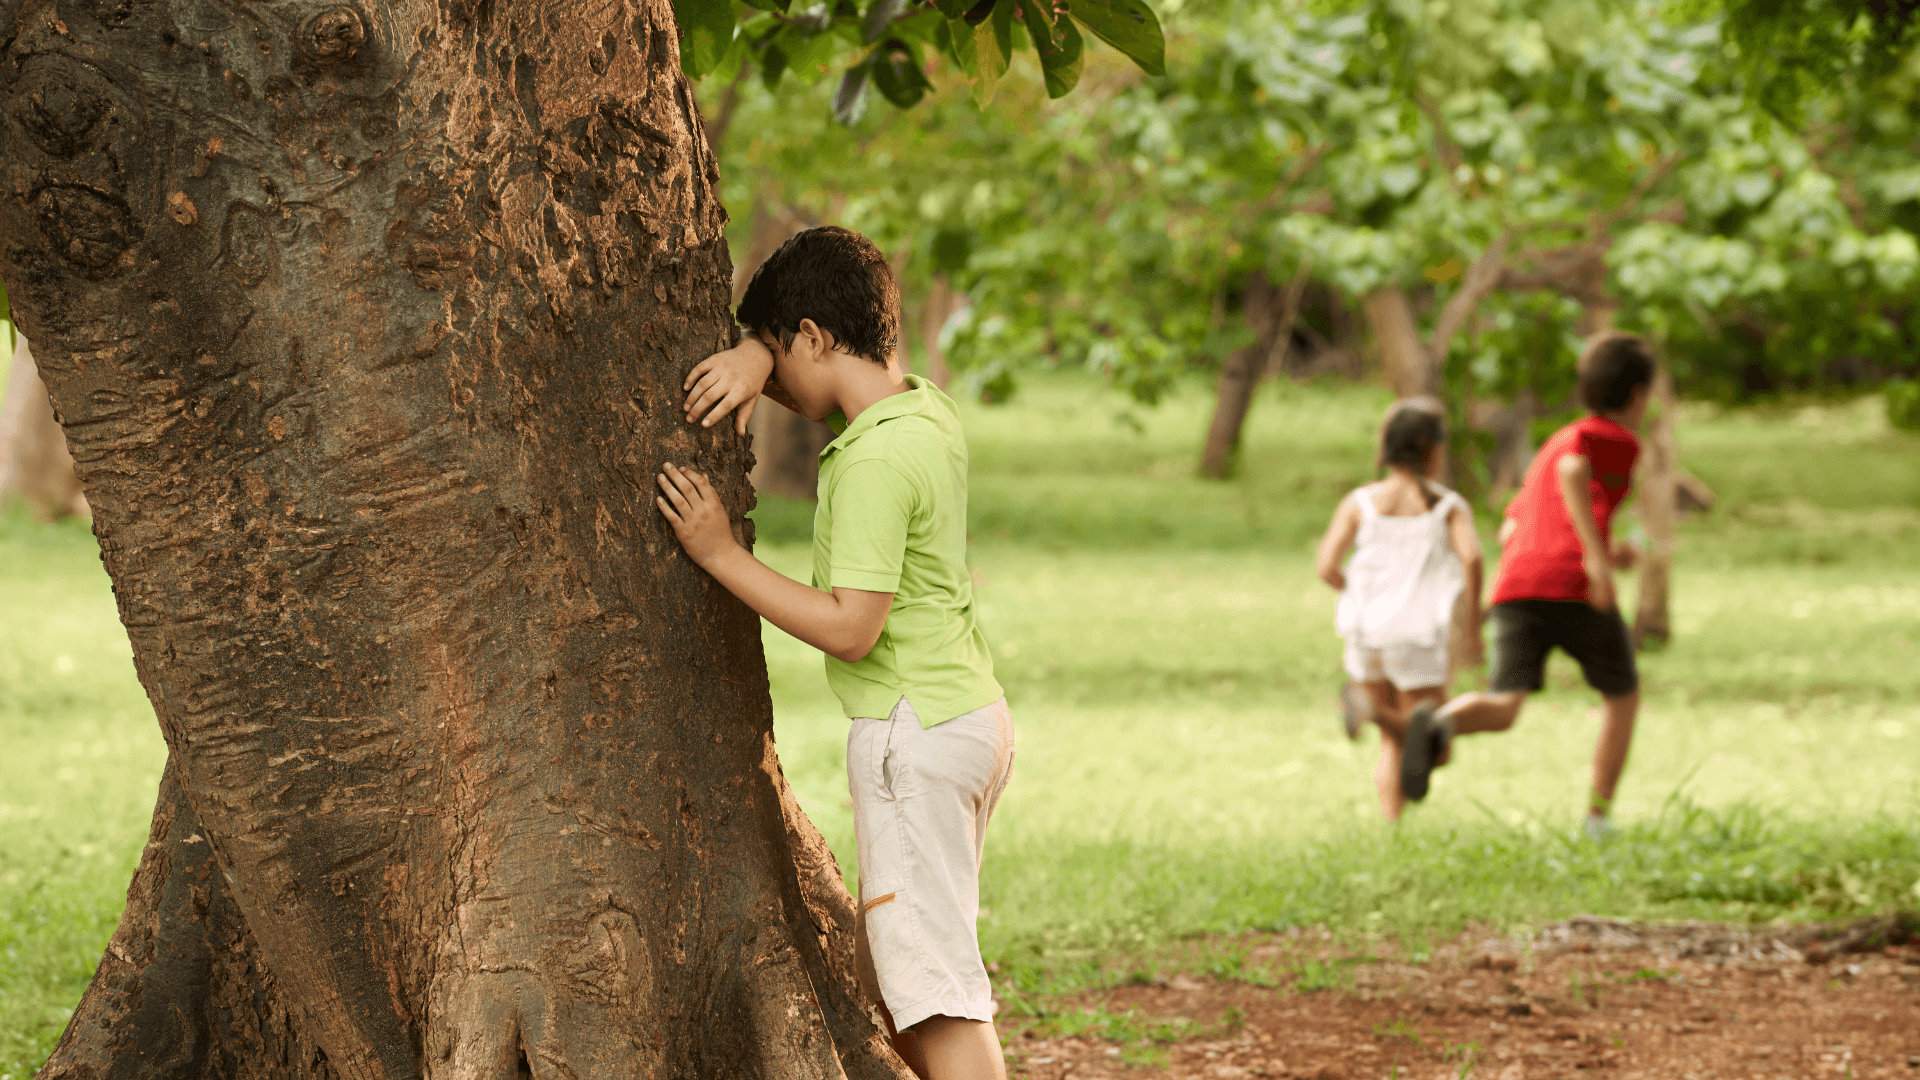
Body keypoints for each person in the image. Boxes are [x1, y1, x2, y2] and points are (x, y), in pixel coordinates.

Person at [654, 226, 1013, 1080]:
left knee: (934, 993)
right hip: (966, 718)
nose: (772, 382)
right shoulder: (924, 412)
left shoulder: (870, 461)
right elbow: (818, 380)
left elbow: (853, 627)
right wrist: (752, 350)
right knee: (887, 978)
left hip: (909, 733)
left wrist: (720, 556)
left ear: (813, 335)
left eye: (780, 355)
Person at [1399, 332, 1657, 838]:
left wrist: (1605, 551)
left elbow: (1512, 527)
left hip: (1517, 584)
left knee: (1505, 705)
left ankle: (1439, 723)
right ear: (1638, 396)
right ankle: (1597, 819)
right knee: (1622, 697)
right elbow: (1574, 473)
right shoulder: (1613, 439)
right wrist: (1597, 565)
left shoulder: (1556, 438)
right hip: (1573, 585)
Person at [1316, 399, 1483, 820]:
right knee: (1436, 747)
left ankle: (1393, 826)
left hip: (1364, 631)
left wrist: (1355, 593)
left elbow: (1326, 566)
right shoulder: (1447, 507)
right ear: (1433, 450)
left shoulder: (1361, 502)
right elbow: (1475, 558)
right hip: (1418, 634)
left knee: (1396, 741)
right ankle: (1371, 712)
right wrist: (1475, 621)